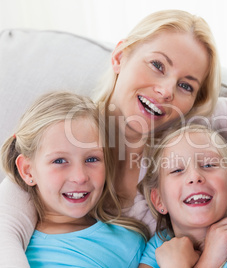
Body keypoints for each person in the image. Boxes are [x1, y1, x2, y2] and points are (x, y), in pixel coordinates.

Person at [0, 9, 227, 267]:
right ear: (120, 57)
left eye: (186, 86)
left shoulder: (187, 137)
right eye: (157, 65)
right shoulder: (62, 135)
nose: (165, 91)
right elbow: (4, 233)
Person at [0, 91, 148, 267]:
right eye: (59, 161)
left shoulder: (129, 242)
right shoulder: (12, 243)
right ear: (27, 170)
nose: (80, 177)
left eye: (92, 159)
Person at [137, 124, 227, 268]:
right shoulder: (160, 244)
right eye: (177, 170)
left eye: (209, 165)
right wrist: (209, 261)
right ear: (159, 200)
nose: (195, 176)